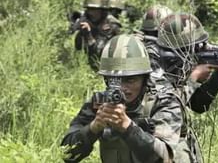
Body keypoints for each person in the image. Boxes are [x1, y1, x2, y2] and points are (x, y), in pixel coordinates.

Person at [61, 34, 183, 163]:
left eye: (130, 80)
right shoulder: (100, 103)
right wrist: (93, 129)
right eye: (115, 81)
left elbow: (165, 158)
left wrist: (127, 127)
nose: (122, 88)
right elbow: (67, 154)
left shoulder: (164, 102)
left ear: (144, 79)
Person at [156, 13, 218, 163]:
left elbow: (198, 105)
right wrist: (193, 79)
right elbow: (168, 108)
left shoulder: (175, 71)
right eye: (198, 46)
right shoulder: (153, 71)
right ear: (181, 49)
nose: (202, 49)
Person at [73, 0, 121, 71]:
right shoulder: (88, 20)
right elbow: (78, 48)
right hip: (89, 69)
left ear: (102, 10)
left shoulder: (110, 25)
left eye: (94, 9)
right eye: (89, 9)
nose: (91, 13)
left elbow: (99, 54)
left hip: (109, 69)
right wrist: (81, 31)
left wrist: (89, 35)